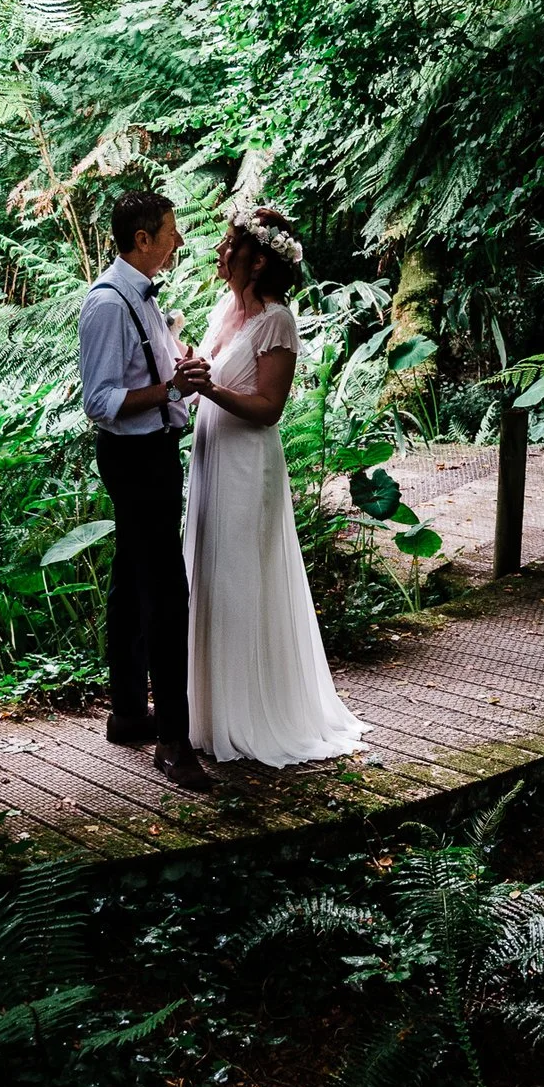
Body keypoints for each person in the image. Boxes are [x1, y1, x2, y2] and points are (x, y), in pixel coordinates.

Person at [176, 200, 368, 765]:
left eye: (229, 243)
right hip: (211, 458)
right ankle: (206, 712)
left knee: (240, 579)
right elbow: (210, 367)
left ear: (256, 261)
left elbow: (268, 407)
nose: (219, 250)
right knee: (208, 575)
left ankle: (250, 713)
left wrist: (206, 389)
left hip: (246, 464)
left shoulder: (277, 320)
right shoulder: (221, 308)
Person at [77, 189, 214, 791]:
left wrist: (176, 374)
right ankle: (174, 744)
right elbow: (101, 402)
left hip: (152, 452)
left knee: (133, 580)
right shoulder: (109, 304)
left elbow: (146, 379)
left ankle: (130, 713)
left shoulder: (142, 298)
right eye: (170, 231)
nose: (178, 240)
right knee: (165, 591)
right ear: (141, 241)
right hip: (135, 459)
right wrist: (167, 390)